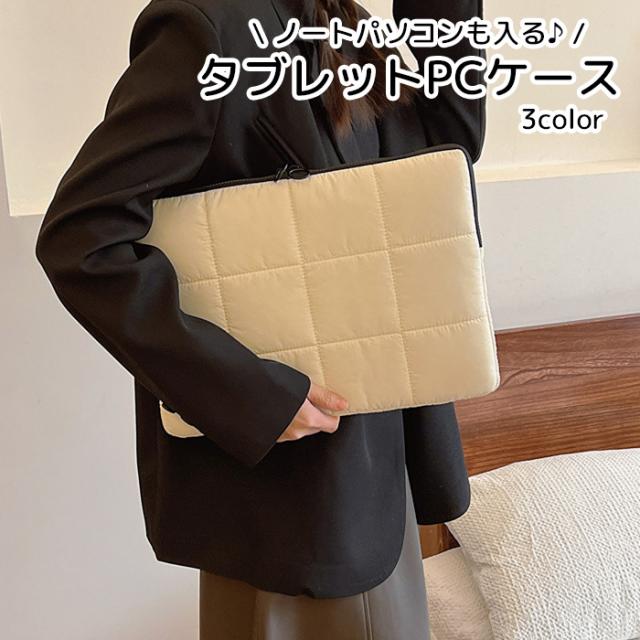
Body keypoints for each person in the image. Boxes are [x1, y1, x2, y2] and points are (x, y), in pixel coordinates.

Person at [35, 0, 485, 637]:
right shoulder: (208, 29)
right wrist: (251, 396)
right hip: (297, 493)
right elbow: (81, 239)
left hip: (371, 480)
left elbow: (443, 155)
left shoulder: (342, 24)